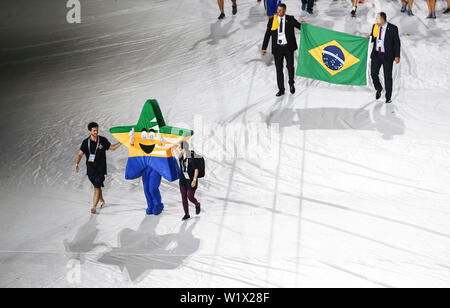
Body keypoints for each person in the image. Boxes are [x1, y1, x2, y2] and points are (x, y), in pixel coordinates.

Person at [75, 122, 121, 214]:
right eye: (94, 130)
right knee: (97, 187)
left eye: (97, 130)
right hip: (90, 170)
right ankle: (102, 201)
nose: (96, 132)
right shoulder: (85, 142)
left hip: (100, 170)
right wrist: (77, 164)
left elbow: (112, 148)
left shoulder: (102, 140)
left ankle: (94, 207)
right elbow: (80, 154)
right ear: (89, 131)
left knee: (96, 187)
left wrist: (121, 142)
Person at [261, 3, 306, 97]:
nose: (278, 11)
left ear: (284, 10)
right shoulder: (272, 20)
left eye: (280, 10)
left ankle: (291, 84)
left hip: (288, 48)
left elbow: (299, 27)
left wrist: (304, 26)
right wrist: (264, 48)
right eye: (278, 10)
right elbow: (267, 34)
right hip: (277, 49)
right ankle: (281, 89)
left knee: (290, 67)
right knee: (279, 69)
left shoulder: (290, 19)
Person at [365, 13, 401, 104]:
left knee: (387, 77)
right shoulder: (375, 26)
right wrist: (369, 37)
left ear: (382, 19)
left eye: (377, 18)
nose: (376, 20)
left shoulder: (393, 28)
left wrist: (397, 56)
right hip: (376, 54)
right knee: (373, 73)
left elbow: (397, 43)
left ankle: (388, 97)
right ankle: (379, 88)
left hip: (387, 56)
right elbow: (373, 37)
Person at [177, 141, 201, 221]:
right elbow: (177, 154)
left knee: (190, 197)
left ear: (184, 147)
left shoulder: (191, 157)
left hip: (191, 180)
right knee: (183, 197)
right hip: (183, 180)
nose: (178, 147)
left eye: (179, 146)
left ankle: (197, 204)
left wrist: (194, 180)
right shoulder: (181, 156)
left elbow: (196, 170)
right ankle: (186, 214)